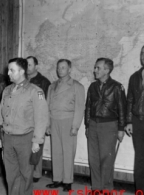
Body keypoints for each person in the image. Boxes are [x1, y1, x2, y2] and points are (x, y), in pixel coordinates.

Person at [0, 58, 49, 195]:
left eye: (12, 70)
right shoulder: (6, 90)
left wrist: (37, 141)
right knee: (11, 175)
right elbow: (0, 115)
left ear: (22, 71)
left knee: (26, 175)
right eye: (8, 70)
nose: (8, 73)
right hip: (7, 137)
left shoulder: (35, 91)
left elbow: (41, 118)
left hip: (26, 139)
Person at [85, 58, 126, 191]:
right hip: (93, 125)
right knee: (93, 159)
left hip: (109, 126)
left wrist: (121, 129)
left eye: (98, 68)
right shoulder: (92, 86)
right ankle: (96, 188)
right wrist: (87, 125)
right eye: (95, 67)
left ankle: (107, 188)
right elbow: (88, 108)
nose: (95, 70)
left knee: (106, 159)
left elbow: (122, 108)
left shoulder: (117, 87)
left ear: (107, 70)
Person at [46, 59, 85, 191]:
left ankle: (67, 181)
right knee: (56, 151)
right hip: (54, 120)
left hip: (68, 121)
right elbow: (47, 106)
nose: (60, 70)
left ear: (69, 69)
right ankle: (57, 179)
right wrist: (47, 124)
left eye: (63, 68)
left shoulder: (77, 86)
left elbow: (80, 108)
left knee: (68, 152)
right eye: (58, 68)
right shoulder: (52, 86)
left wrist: (75, 126)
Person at [26, 56, 51, 183]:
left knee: (37, 146)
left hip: (38, 118)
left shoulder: (44, 82)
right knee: (25, 146)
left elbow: (45, 103)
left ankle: (36, 174)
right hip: (25, 118)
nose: (27, 67)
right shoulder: (23, 79)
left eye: (29, 65)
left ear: (36, 66)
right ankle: (27, 172)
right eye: (26, 64)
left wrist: (46, 122)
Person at [125, 46, 144, 193]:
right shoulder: (135, 77)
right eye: (143, 53)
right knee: (140, 158)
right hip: (137, 121)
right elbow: (130, 100)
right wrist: (129, 121)